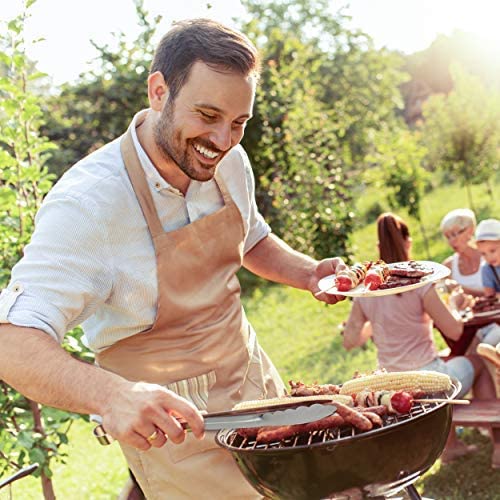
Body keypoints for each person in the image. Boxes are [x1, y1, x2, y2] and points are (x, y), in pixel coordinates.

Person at [0, 19, 345, 499]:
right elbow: (11, 342)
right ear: (159, 91)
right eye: (207, 115)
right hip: (175, 432)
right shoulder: (88, 204)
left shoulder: (228, 162)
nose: (223, 140)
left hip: (254, 387)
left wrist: (308, 273)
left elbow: (251, 238)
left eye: (238, 123)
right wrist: (110, 395)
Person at [342, 212, 496, 462]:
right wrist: (456, 302)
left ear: (379, 247)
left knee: (449, 360)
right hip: (426, 379)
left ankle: (452, 444)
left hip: (390, 385)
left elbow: (350, 341)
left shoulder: (364, 293)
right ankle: (496, 443)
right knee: (477, 362)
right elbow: (455, 331)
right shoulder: (419, 284)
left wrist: (376, 323)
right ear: (407, 242)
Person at [440, 208, 484, 296]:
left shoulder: (491, 257)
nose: (451, 241)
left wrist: (461, 288)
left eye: (455, 234)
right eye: (448, 237)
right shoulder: (448, 267)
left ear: (470, 230)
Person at [475, 218, 500, 297]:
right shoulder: (487, 269)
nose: (489, 257)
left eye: (492, 251)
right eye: (483, 253)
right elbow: (489, 295)